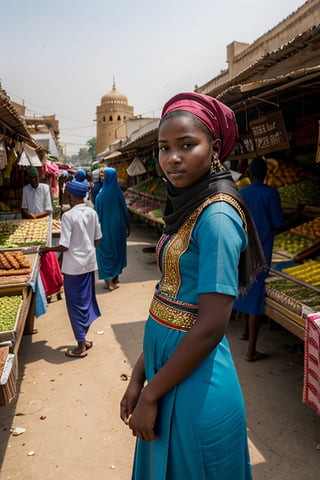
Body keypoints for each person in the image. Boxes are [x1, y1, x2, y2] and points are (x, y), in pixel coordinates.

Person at [120, 92, 267, 479]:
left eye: (187, 145)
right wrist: (140, 375)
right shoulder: (189, 206)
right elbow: (171, 300)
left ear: (214, 149)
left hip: (195, 387)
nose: (172, 158)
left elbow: (211, 324)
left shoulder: (217, 215)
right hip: (168, 371)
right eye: (164, 148)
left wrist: (151, 393)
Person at [39, 177, 102, 358]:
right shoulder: (92, 212)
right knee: (86, 301)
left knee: (75, 305)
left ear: (70, 195)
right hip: (89, 264)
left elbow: (65, 245)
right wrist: (85, 247)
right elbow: (97, 240)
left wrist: (47, 249)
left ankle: (80, 346)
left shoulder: (68, 216)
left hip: (73, 268)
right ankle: (84, 338)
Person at [233, 156, 283, 362]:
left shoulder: (241, 193)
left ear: (249, 174)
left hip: (243, 249)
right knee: (255, 299)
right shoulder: (271, 193)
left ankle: (245, 332)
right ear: (266, 174)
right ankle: (251, 351)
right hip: (262, 251)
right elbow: (278, 222)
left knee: (247, 288)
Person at [95, 167, 130, 291]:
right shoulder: (118, 193)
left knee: (105, 253)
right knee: (117, 251)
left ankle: (109, 281)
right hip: (118, 229)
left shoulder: (100, 195)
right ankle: (115, 278)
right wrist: (127, 226)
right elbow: (125, 211)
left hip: (104, 229)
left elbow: (97, 214)